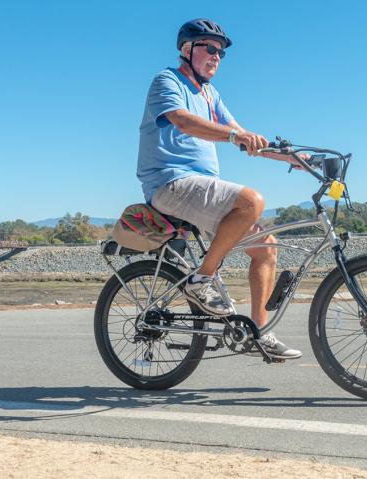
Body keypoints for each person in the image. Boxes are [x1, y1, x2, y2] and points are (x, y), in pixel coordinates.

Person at [137, 18, 302, 360]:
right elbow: (182, 120)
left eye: (221, 52)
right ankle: (201, 280)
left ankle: (258, 333)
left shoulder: (210, 93)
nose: (216, 56)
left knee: (266, 247)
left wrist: (293, 158)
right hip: (170, 182)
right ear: (187, 49)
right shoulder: (167, 80)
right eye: (209, 48)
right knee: (251, 200)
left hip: (200, 189)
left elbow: (242, 136)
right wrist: (232, 136)